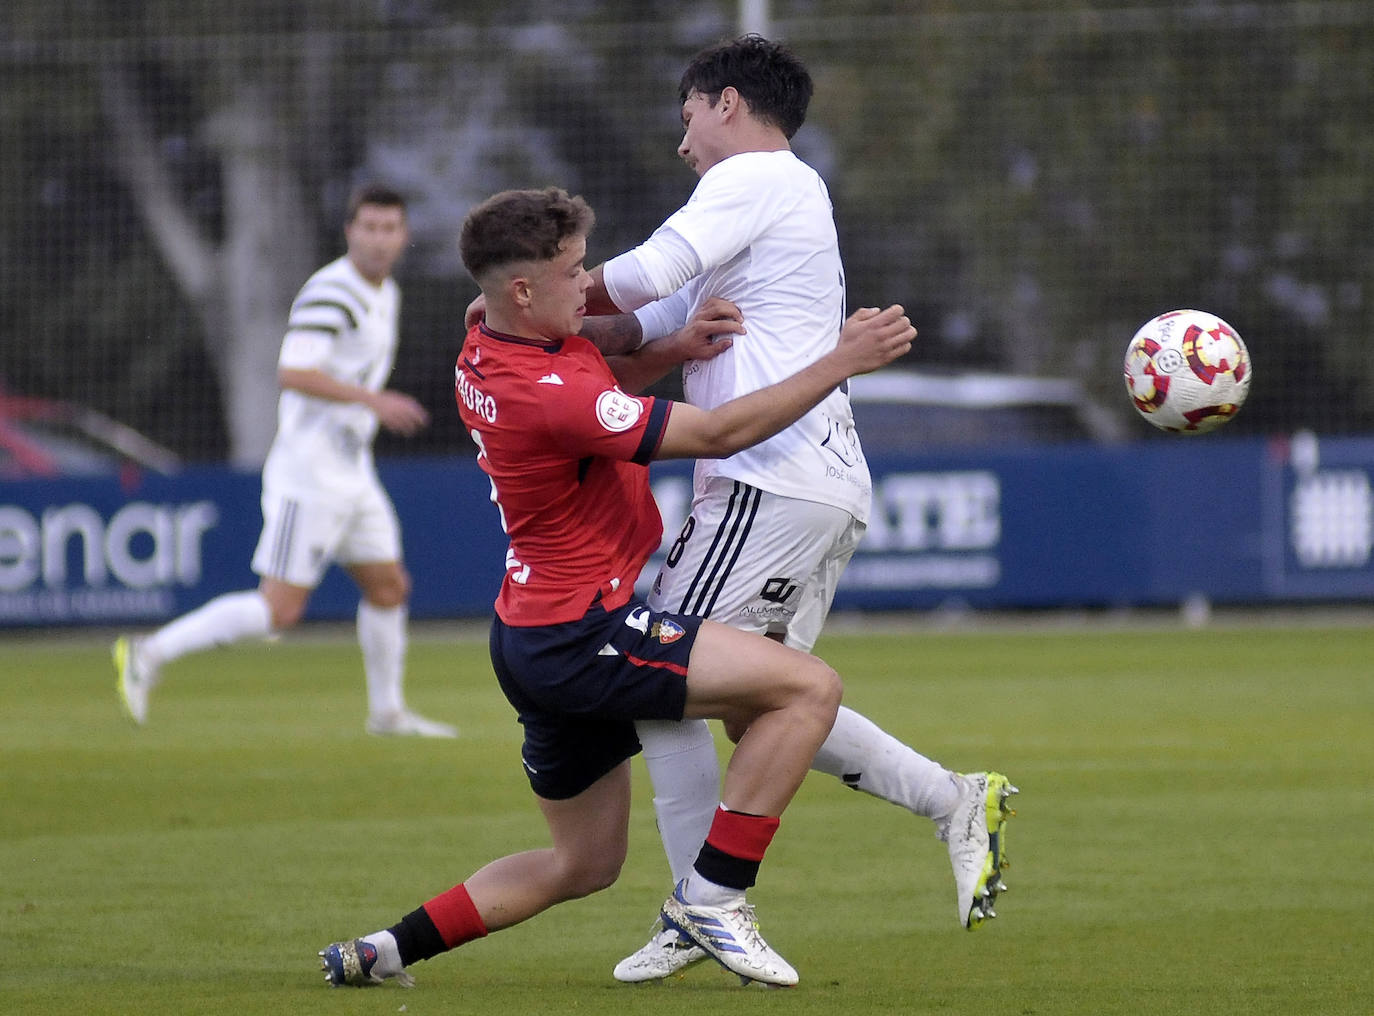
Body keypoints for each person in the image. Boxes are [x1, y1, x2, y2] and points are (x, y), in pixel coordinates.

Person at [318, 186, 916, 989]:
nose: (589, 285)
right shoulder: (550, 395)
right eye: (572, 273)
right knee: (807, 690)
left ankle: (380, 952)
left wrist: (671, 347)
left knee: (584, 862)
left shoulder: (485, 346)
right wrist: (842, 361)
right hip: (583, 634)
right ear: (523, 291)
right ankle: (714, 899)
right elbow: (719, 431)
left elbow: (597, 355)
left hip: (526, 635)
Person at [575, 35, 1019, 979]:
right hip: (805, 486)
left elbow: (637, 277)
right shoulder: (760, 209)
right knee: (760, 706)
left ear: (727, 102)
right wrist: (581, 320)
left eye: (687, 114)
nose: (682, 140)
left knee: (656, 684)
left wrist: (522, 292)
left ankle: (703, 905)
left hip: (767, 482)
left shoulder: (760, 178)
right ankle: (953, 798)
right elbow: (630, 331)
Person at [113, 184, 457, 739]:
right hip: (309, 473)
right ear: (350, 232)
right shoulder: (332, 292)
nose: (378, 238)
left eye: (388, 228)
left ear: (403, 236)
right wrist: (375, 401)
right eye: (367, 227)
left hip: (352, 470)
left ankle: (387, 713)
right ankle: (149, 652)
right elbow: (292, 371)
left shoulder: (384, 291)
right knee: (279, 610)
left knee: (389, 586)